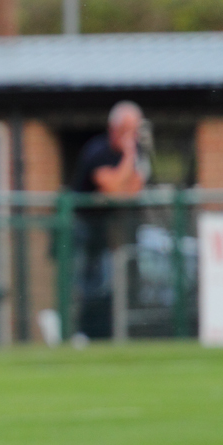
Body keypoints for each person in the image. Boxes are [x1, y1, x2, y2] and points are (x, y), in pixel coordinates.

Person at [69, 101, 150, 338]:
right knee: (86, 285)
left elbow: (132, 191)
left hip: (108, 229)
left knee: (108, 283)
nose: (133, 136)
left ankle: (103, 334)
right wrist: (128, 155)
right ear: (115, 129)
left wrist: (130, 158)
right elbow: (113, 188)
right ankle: (80, 333)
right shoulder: (98, 151)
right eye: (129, 130)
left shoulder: (137, 153)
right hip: (83, 228)